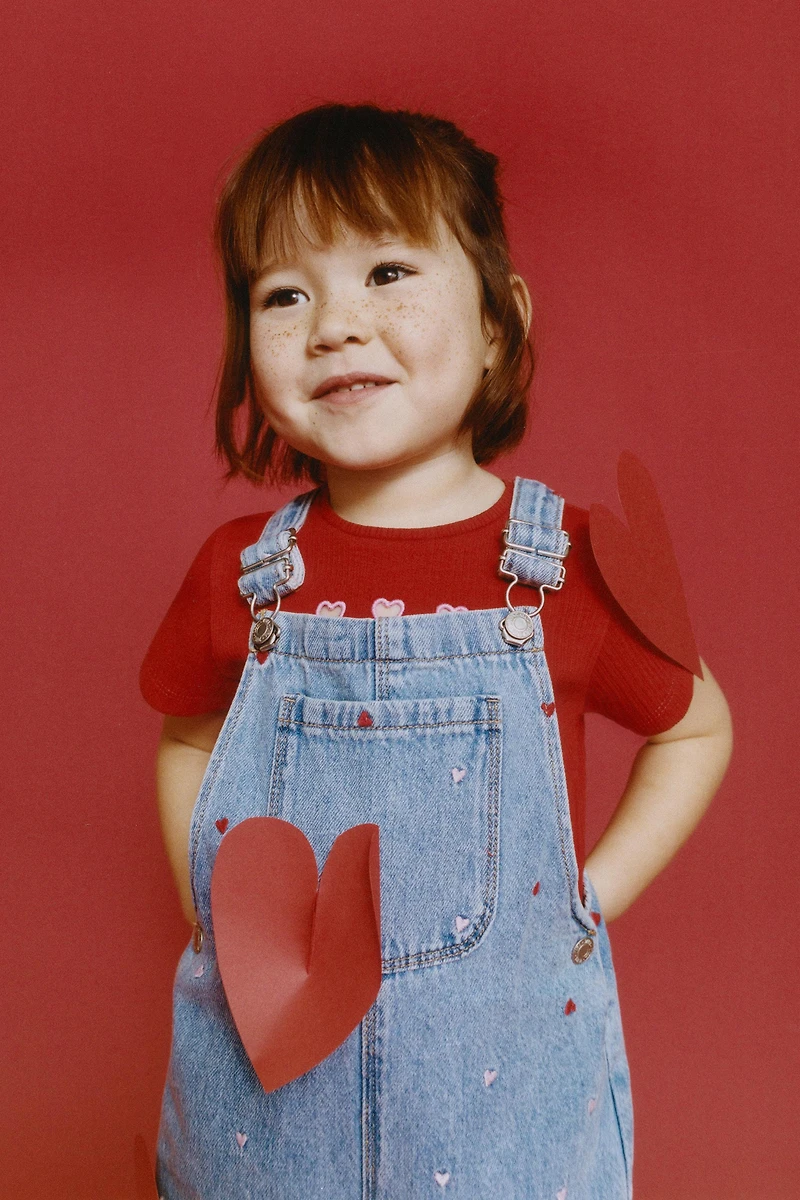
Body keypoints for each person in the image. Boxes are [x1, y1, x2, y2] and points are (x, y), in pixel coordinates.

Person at [140, 102, 733, 1199]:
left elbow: (697, 725)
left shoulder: (566, 569)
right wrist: (216, 907)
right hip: (270, 1114)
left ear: (500, 323)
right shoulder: (244, 572)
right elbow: (187, 740)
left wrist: (583, 896)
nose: (332, 325)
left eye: (387, 273)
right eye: (284, 293)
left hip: (505, 1098)